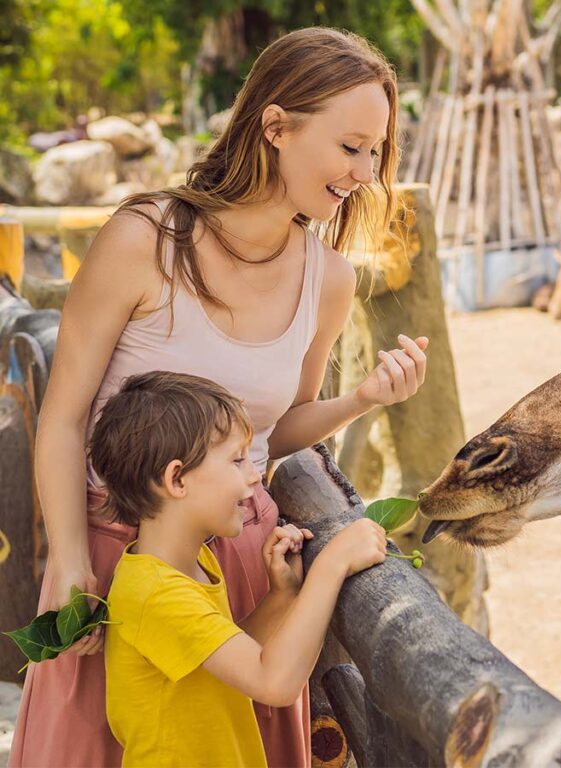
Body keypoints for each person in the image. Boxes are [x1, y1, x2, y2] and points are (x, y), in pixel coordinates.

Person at [10, 26, 425, 768]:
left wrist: (362, 397)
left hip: (242, 562)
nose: (365, 172)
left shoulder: (327, 280)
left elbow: (274, 434)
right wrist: (71, 557)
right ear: (275, 126)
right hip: (121, 553)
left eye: (376, 152)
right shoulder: (144, 240)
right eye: (350, 146)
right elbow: (65, 414)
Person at [90, 371, 386, 767]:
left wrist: (281, 598)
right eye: (236, 459)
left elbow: (224, 655)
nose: (253, 474)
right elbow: (274, 683)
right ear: (176, 479)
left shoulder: (188, 564)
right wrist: (331, 566)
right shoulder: (154, 593)